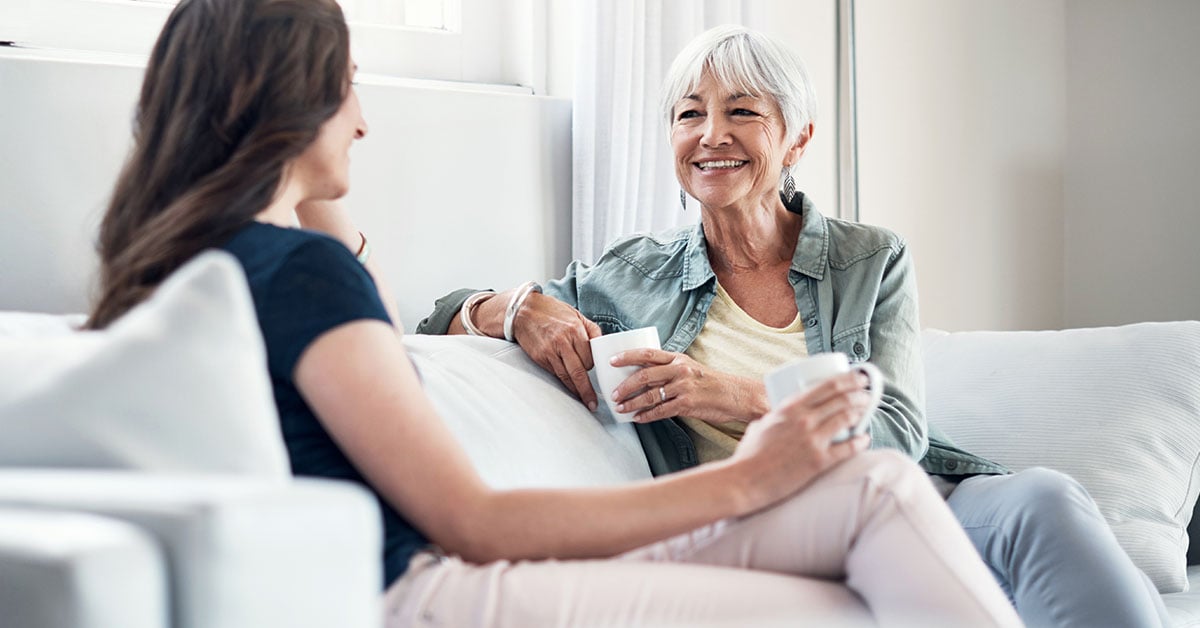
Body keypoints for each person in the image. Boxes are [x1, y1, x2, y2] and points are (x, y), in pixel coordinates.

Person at [85, 2, 1021, 626]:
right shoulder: (296, 276)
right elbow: (476, 522)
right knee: (853, 569)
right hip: (430, 589)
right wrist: (753, 474)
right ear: (290, 106)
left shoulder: (189, 265)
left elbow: (360, 270)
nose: (364, 119)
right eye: (350, 84)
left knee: (885, 491)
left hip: (429, 573)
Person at [418, 25, 1169, 628]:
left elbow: (899, 436)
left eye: (742, 111)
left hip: (902, 496)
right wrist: (516, 308)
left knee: (1043, 498)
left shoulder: (868, 259)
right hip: (752, 523)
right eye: (689, 114)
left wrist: (727, 395)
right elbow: (439, 314)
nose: (711, 134)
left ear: (796, 138)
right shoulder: (630, 275)